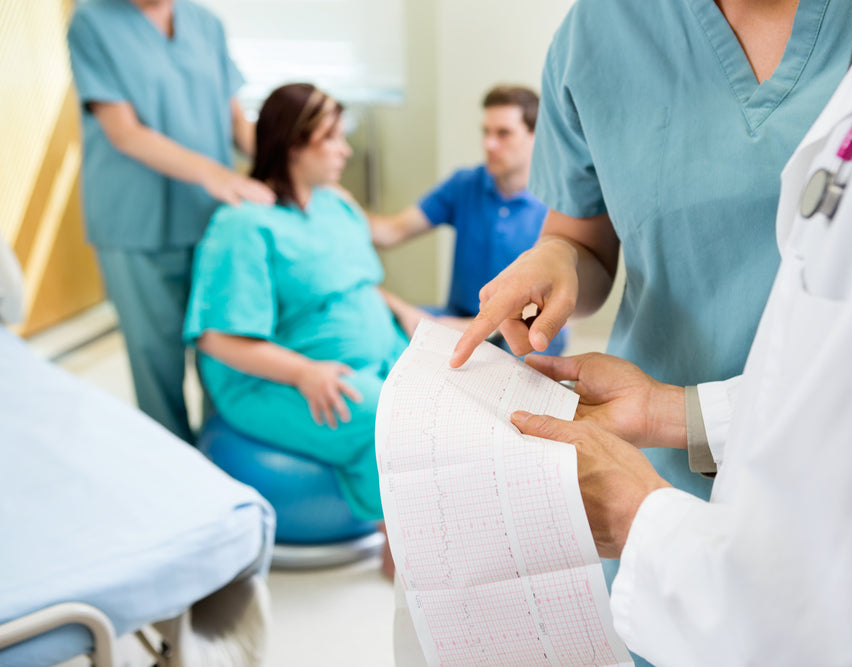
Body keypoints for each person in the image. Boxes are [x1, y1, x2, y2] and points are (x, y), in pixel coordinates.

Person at [509, 0, 852, 661]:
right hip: (652, 479)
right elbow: (582, 238)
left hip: (842, 506)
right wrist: (556, 258)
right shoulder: (600, 32)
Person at [184, 83, 425, 533]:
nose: (345, 150)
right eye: (331, 137)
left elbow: (353, 282)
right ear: (294, 145)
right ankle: (399, 544)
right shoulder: (242, 224)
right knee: (395, 422)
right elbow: (215, 338)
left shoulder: (335, 205)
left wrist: (404, 311)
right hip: (276, 378)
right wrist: (303, 373)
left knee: (450, 397)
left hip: (374, 352)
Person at [67, 0, 274, 443]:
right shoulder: (92, 22)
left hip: (211, 218)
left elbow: (236, 121)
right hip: (135, 221)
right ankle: (174, 468)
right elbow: (124, 131)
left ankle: (219, 457)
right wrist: (216, 174)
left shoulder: (204, 24)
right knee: (157, 364)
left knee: (225, 359)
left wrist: (286, 166)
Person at [368, 85, 568, 356]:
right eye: (486, 132)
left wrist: (478, 326)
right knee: (389, 328)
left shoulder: (558, 200)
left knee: (528, 351)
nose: (489, 144)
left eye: (503, 133)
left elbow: (555, 299)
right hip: (458, 315)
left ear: (536, 136)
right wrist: (338, 205)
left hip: (524, 323)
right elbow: (392, 231)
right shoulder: (464, 185)